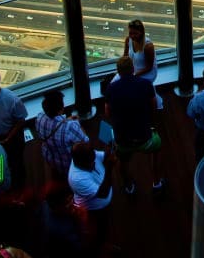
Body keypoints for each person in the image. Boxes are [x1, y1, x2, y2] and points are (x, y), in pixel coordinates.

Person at [105, 55, 164, 194]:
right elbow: (154, 107)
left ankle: (128, 185)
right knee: (156, 146)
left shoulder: (111, 89)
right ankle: (156, 182)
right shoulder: (145, 84)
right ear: (133, 69)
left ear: (118, 72)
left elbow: (107, 113)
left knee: (123, 160)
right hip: (144, 136)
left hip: (123, 139)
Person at [68, 142, 115, 252]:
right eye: (91, 161)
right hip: (94, 209)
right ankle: (101, 246)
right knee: (99, 229)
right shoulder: (77, 179)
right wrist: (109, 169)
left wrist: (109, 149)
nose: (94, 162)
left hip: (101, 205)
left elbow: (102, 156)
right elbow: (103, 194)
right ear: (81, 162)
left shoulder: (87, 156)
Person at [36, 89, 89, 181]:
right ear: (61, 109)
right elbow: (86, 142)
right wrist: (78, 123)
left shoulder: (40, 117)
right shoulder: (70, 126)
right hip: (67, 164)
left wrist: (66, 120)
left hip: (49, 158)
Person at [124, 19, 163, 109]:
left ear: (141, 32)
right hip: (133, 70)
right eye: (130, 33)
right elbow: (125, 56)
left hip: (147, 73)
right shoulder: (128, 39)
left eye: (135, 33)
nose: (132, 36)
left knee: (132, 86)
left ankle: (149, 104)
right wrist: (123, 70)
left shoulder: (148, 46)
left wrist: (134, 75)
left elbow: (149, 67)